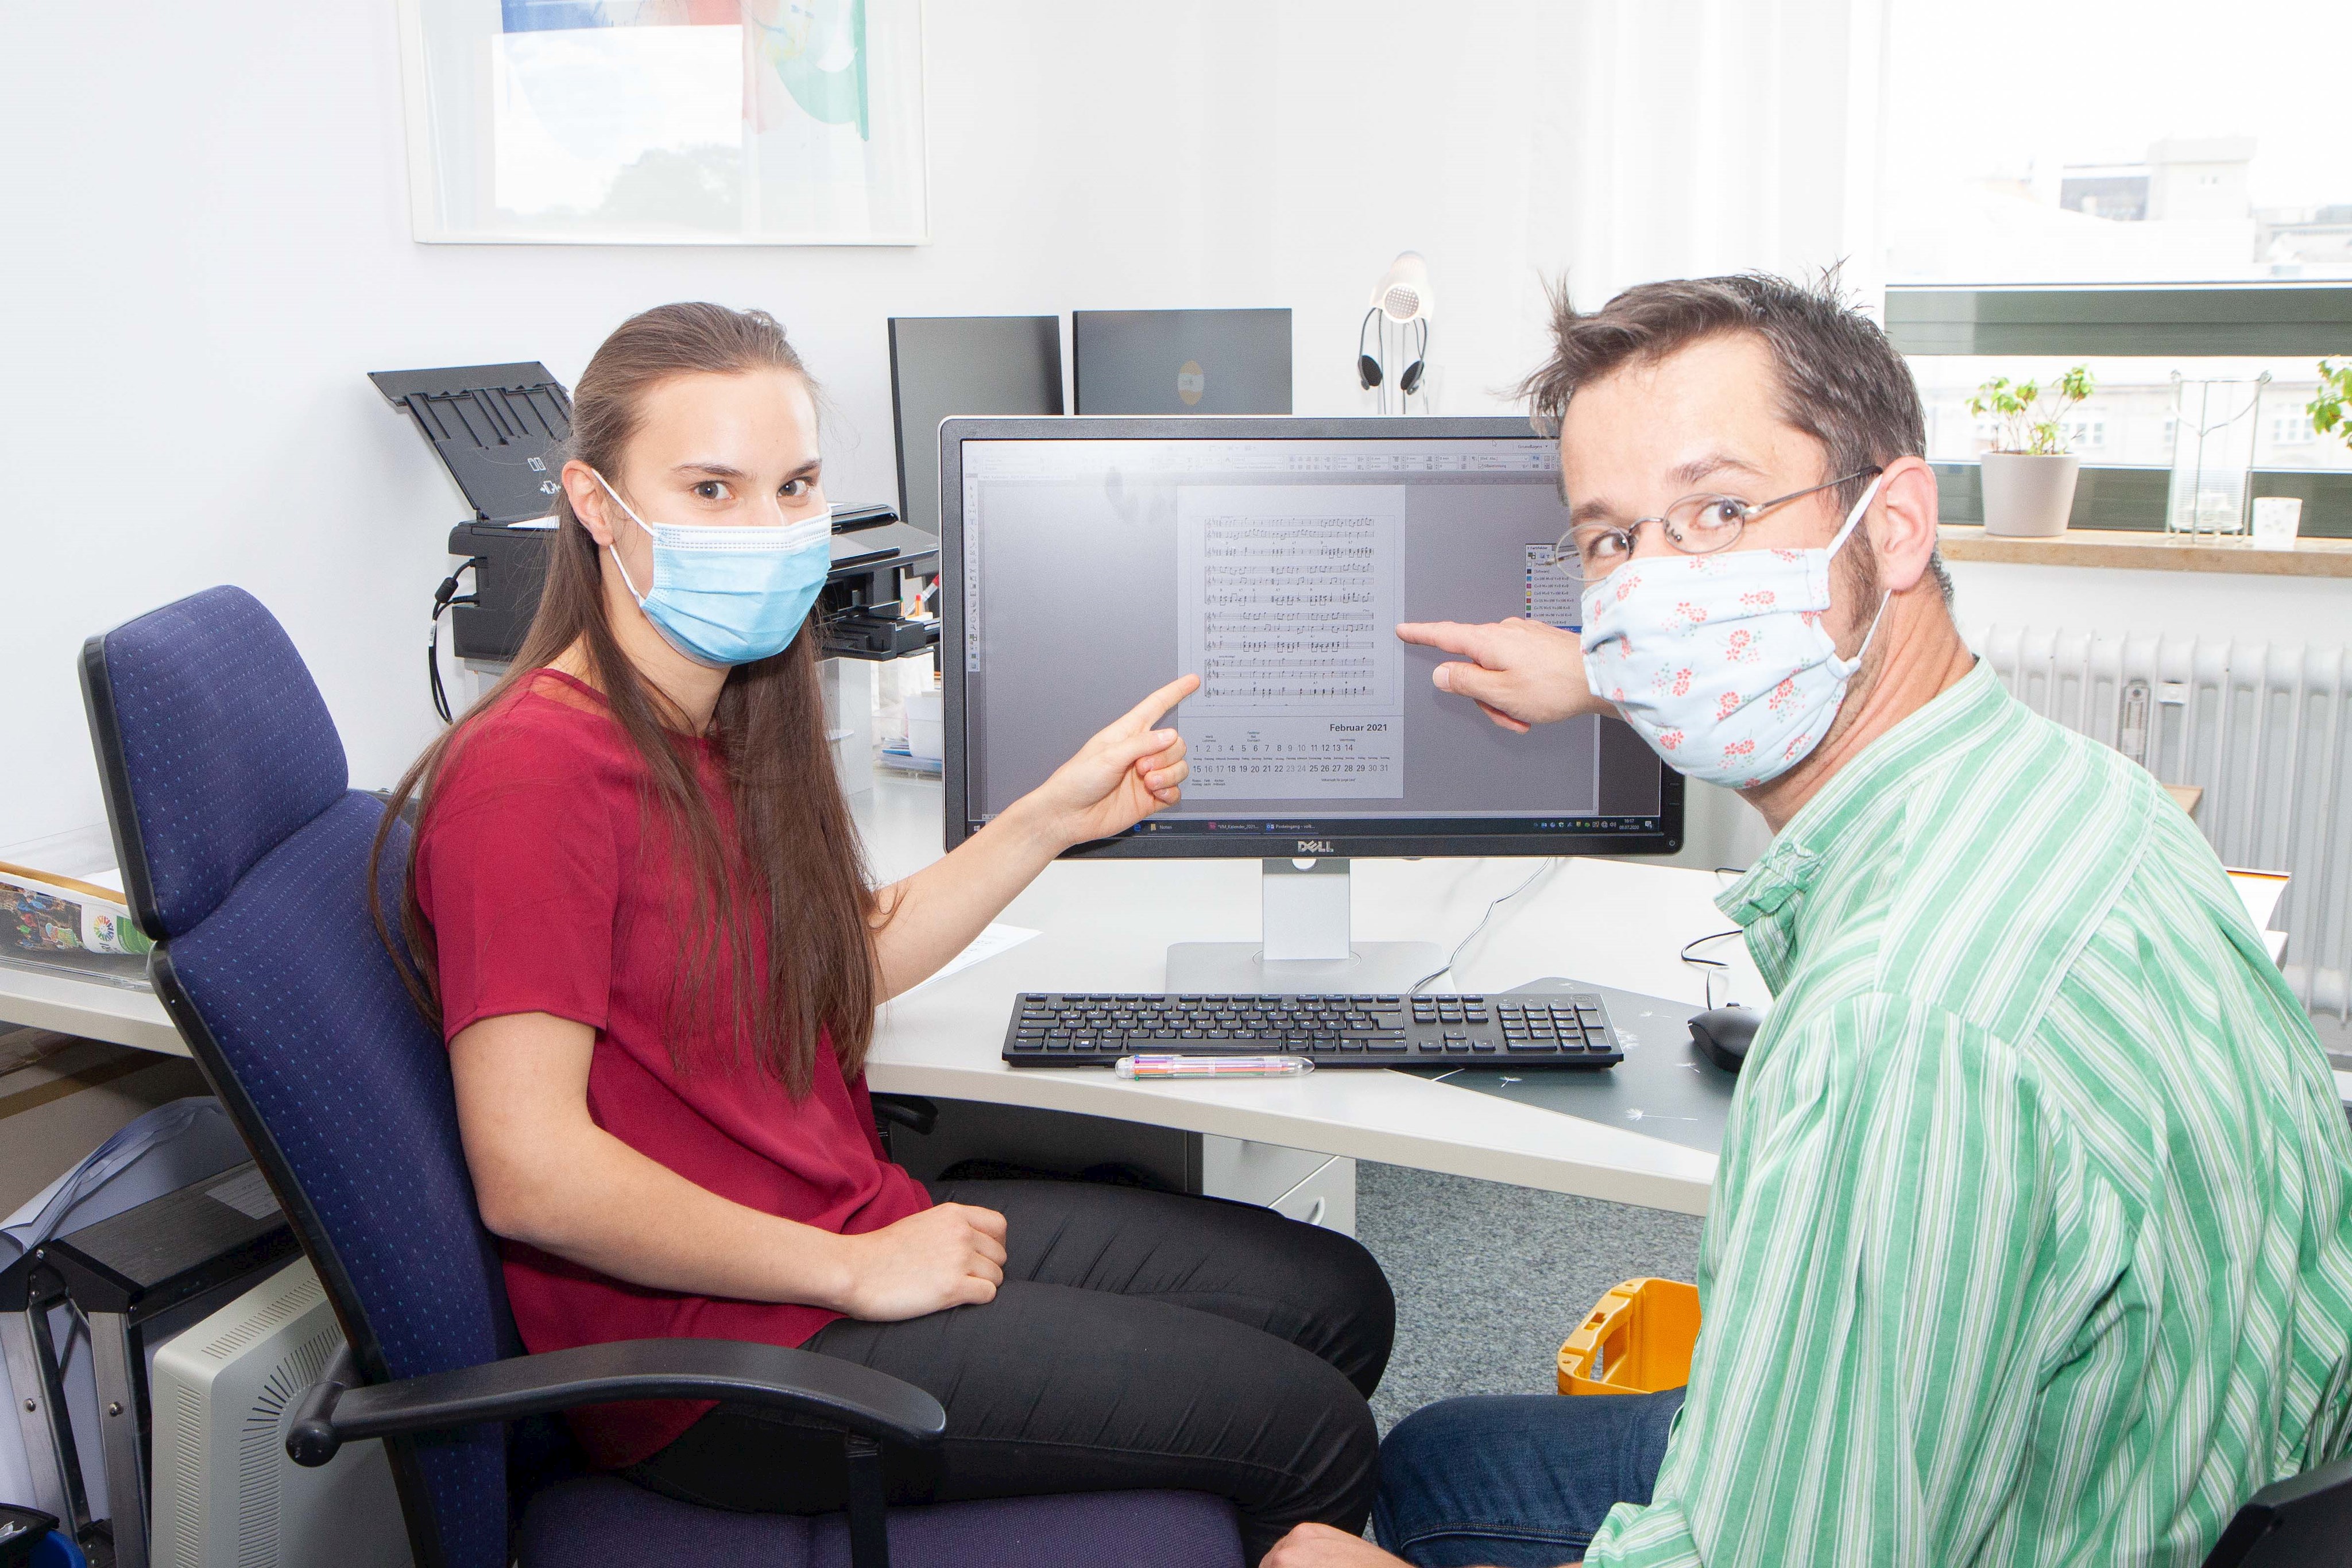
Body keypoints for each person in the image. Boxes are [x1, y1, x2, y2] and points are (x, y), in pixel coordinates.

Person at [1267, 273, 2352, 1567]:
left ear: (1890, 525)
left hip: (2040, 1523)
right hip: (2160, 1446)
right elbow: (1732, 644)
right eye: (1611, 542)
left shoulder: (1895, 1032)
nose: (1656, 595)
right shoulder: (2091, 799)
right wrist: (1605, 681)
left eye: (1716, 512)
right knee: (1443, 1458)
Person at [373, 301, 1393, 1565]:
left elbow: (828, 967)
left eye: (793, 485)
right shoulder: (533, 775)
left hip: (834, 1231)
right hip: (720, 1362)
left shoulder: (717, 719)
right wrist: (850, 1271)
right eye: (711, 488)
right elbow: (532, 1172)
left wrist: (1044, 819)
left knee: (1334, 1301)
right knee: (1307, 1433)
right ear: (593, 502)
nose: (767, 528)